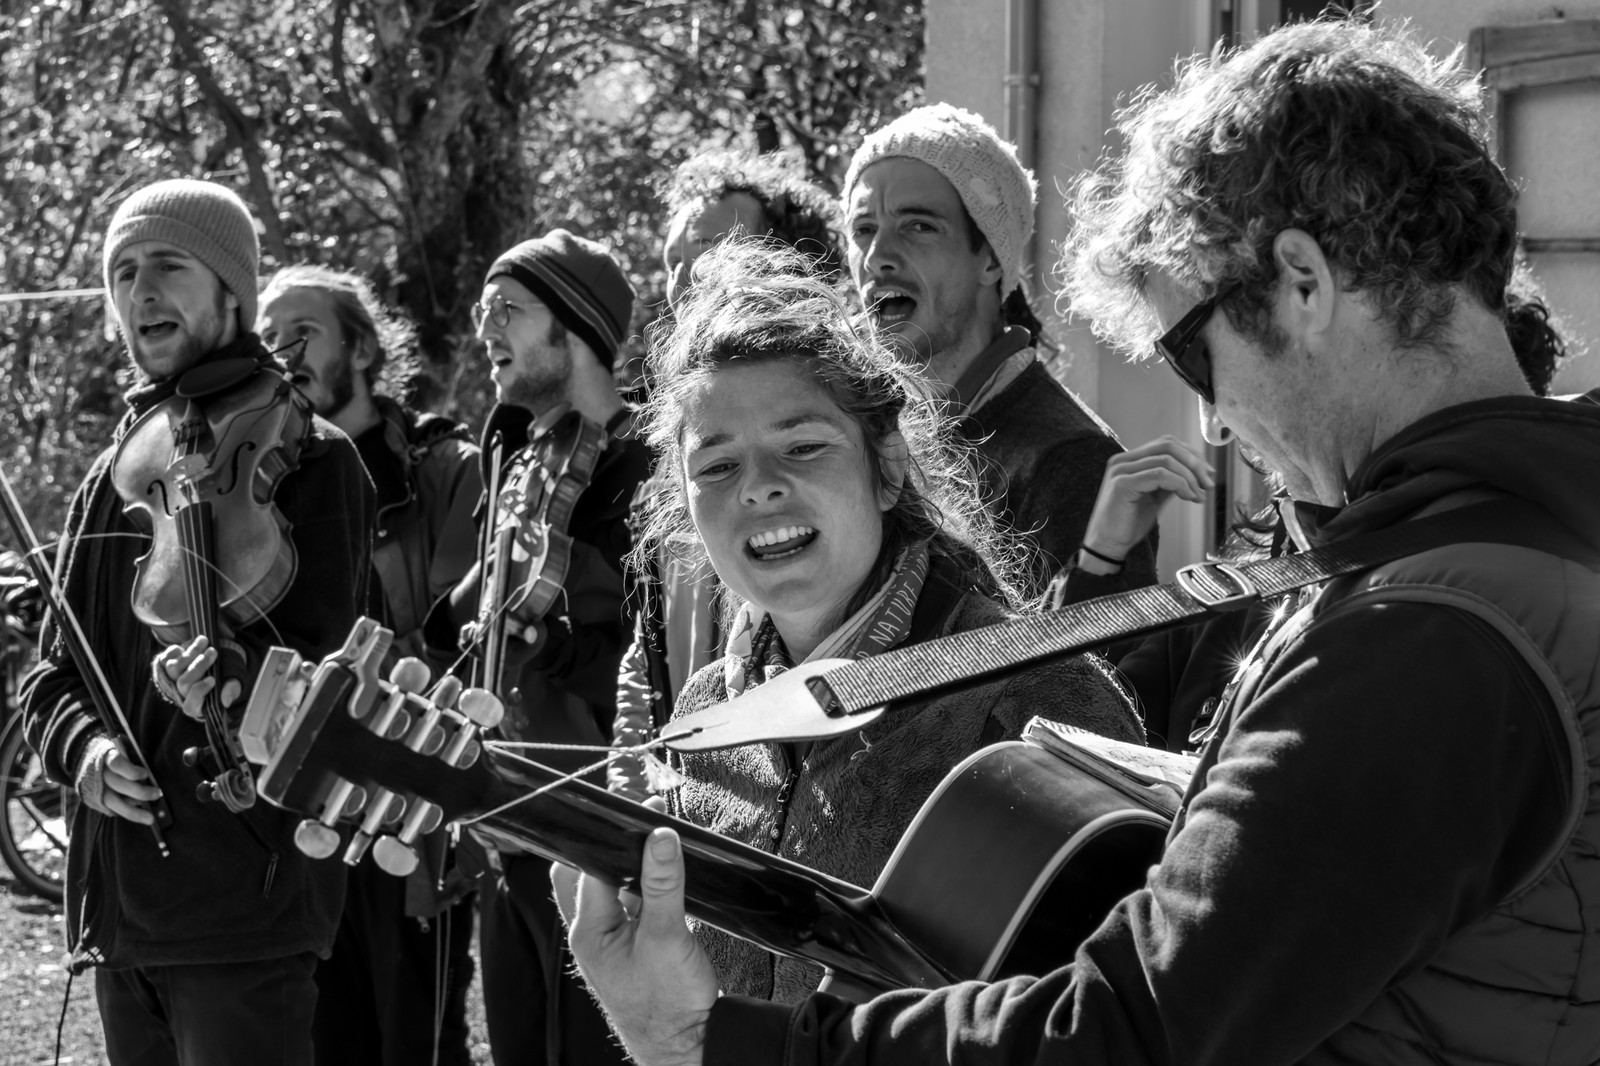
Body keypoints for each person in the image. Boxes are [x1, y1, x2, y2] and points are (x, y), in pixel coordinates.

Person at [557, 19, 1600, 1064]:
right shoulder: (1498, 561)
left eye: (1192, 355)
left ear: (1302, 282)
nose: (1215, 422)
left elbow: (1122, 1031)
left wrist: (712, 1043)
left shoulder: (1432, 631)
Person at [623, 240, 1143, 1003]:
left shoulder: (1034, 695)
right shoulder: (706, 717)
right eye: (717, 466)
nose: (759, 488)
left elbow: (1128, 1013)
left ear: (889, 468)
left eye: (803, 446)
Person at [20, 179, 373, 1065]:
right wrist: (85, 755)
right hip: (123, 913)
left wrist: (233, 679)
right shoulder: (114, 476)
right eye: (123, 273)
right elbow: (52, 679)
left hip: (244, 907)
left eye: (168, 265)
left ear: (233, 290)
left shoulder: (312, 458)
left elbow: (334, 677)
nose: (140, 292)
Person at [426, 229, 649, 1066]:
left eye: (507, 309)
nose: (485, 328)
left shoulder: (647, 472)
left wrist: (553, 648)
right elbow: (468, 616)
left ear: (576, 327)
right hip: (508, 823)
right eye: (482, 311)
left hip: (597, 834)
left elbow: (661, 670)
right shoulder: (522, 466)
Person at [257, 265, 481, 1066]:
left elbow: (460, 647)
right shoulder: (260, 486)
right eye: (267, 337)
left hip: (407, 808)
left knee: (416, 1042)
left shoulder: (444, 465)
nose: (281, 352)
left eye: (302, 332)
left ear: (360, 347)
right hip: (302, 816)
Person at [842, 103, 1157, 598]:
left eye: (918, 226)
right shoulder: (863, 434)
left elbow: (1106, 650)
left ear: (990, 259)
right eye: (863, 229)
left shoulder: (1072, 462)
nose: (877, 256)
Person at [611, 150, 846, 800]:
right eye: (671, 262)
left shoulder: (852, 423)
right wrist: (633, 796)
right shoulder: (666, 474)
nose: (683, 279)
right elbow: (646, 656)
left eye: (710, 249)